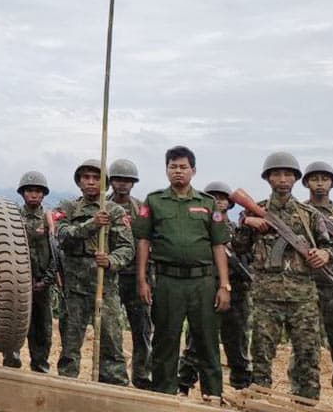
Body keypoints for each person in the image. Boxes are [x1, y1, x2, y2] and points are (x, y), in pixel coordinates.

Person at [234, 152, 333, 401]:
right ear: (268, 178)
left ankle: (306, 403)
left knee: (308, 356)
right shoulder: (257, 210)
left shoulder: (309, 215)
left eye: (287, 174)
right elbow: (238, 248)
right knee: (261, 354)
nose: (282, 179)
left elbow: (332, 246)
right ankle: (259, 401)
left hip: (302, 296)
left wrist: (325, 254)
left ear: (295, 179)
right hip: (266, 296)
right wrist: (248, 223)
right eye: (277, 174)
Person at [133, 146, 230, 400]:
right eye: (173, 167)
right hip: (167, 282)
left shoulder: (207, 203)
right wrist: (142, 279)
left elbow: (218, 245)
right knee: (165, 342)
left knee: (207, 343)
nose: (178, 172)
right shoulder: (154, 201)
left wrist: (224, 285)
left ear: (193, 171)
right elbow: (143, 241)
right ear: (166, 170)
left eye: (183, 167)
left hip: (203, 282)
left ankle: (213, 397)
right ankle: (163, 397)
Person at [54, 159, 134, 385]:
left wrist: (110, 261)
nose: (90, 182)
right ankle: (67, 391)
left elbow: (127, 248)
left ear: (104, 183)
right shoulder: (67, 208)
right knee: (70, 347)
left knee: (111, 345)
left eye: (96, 178)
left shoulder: (115, 211)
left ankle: (114, 393)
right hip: (75, 290)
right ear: (79, 182)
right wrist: (92, 224)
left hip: (105, 288)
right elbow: (61, 235)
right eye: (86, 177)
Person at [178, 181, 252, 393]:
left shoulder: (239, 230)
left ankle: (241, 387)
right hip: (205, 289)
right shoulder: (198, 227)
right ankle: (183, 385)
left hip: (235, 292)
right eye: (213, 197)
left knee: (236, 343)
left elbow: (250, 255)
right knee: (195, 343)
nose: (218, 202)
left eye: (222, 198)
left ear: (229, 203)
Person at [2, 171, 55, 373]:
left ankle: (40, 366)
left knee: (42, 329)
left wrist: (47, 280)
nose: (34, 195)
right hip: (17, 283)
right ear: (23, 193)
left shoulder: (49, 219)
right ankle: (11, 362)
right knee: (13, 323)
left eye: (38, 191)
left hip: (42, 283)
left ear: (43, 195)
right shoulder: (12, 218)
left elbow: (56, 253)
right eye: (30, 191)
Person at [107, 158, 152, 389]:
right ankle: (112, 376)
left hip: (137, 276)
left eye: (127, 180)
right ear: (111, 182)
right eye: (117, 179)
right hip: (110, 277)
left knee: (142, 330)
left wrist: (144, 278)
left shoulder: (141, 208)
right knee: (111, 330)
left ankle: (142, 376)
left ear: (133, 183)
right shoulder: (102, 208)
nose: (122, 184)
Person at [302, 161, 333, 396]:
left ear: (332, 183)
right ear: (306, 182)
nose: (319, 184)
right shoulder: (300, 213)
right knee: (306, 345)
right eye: (314, 179)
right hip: (308, 285)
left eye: (324, 179)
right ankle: (304, 395)